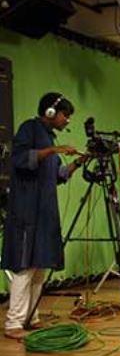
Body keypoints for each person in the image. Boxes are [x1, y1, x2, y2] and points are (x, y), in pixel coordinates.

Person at [1, 92, 86, 340]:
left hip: (45, 213)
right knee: (24, 267)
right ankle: (14, 322)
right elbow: (20, 159)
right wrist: (53, 150)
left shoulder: (49, 139)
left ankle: (31, 317)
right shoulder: (29, 129)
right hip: (26, 212)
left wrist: (79, 163)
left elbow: (59, 175)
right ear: (50, 112)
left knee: (39, 268)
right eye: (65, 115)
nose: (67, 120)